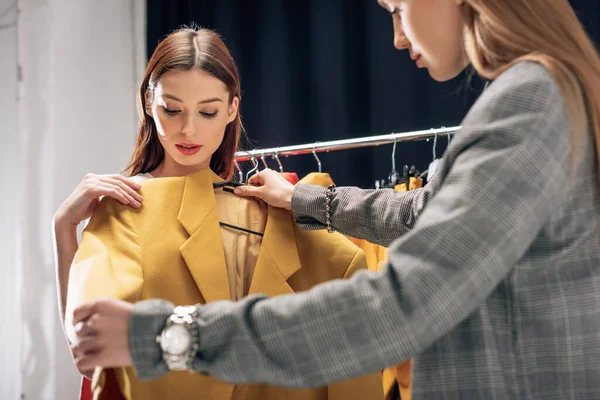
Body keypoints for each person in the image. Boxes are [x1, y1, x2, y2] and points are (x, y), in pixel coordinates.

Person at [70, 0, 600, 399]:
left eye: (397, 8)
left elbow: (401, 304)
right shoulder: (542, 97)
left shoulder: (528, 103)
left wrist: (167, 335)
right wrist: (304, 198)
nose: (397, 36)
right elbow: (420, 213)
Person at [57, 26, 383, 400]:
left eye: (207, 111)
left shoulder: (315, 244)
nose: (188, 129)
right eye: (172, 109)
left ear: (232, 108)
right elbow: (88, 352)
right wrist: (63, 228)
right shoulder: (127, 208)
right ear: (149, 102)